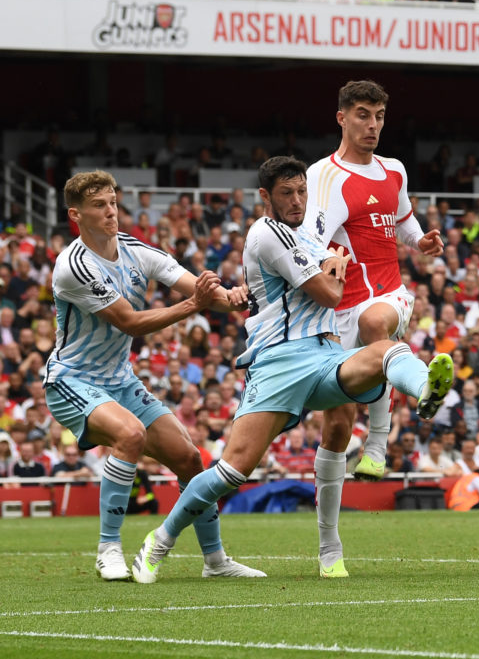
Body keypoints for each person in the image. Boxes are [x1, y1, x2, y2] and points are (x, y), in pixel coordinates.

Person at [131, 157, 454, 583]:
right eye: (287, 193)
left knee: (384, 351)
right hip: (279, 363)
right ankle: (159, 542)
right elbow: (327, 293)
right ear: (266, 197)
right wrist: (335, 272)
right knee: (232, 471)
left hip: (323, 355)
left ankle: (424, 390)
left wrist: (356, 259)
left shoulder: (311, 229)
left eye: (302, 191)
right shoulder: (266, 233)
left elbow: (347, 251)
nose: (298, 200)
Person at [45, 170, 263, 582]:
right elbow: (129, 322)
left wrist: (229, 298)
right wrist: (193, 306)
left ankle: (215, 562)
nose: (111, 212)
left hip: (120, 380)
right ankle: (108, 549)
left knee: (189, 459)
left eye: (112, 202)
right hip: (72, 380)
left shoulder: (134, 249)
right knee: (130, 435)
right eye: (99, 206)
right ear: (76, 215)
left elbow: (188, 283)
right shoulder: (72, 266)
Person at [303, 80, 445, 575]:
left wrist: (421, 241)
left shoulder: (394, 170)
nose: (373, 126)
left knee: (374, 325)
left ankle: (380, 443)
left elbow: (403, 225)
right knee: (336, 425)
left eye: (380, 116)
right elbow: (310, 237)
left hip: (387, 296)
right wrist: (323, 260)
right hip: (333, 310)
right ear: (341, 117)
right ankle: (329, 548)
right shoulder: (324, 175)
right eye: (363, 115)